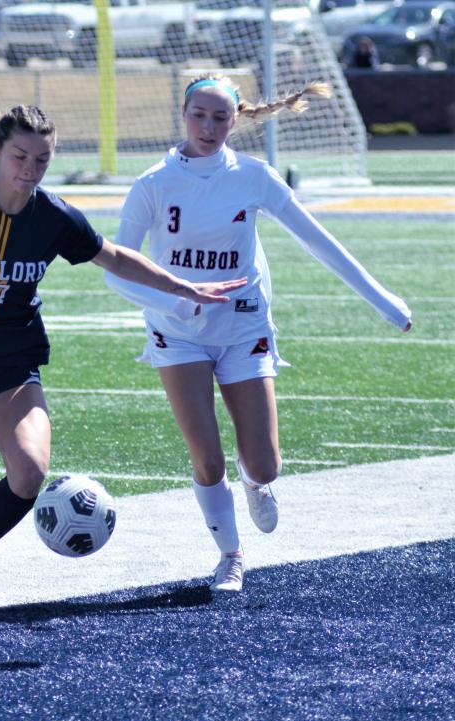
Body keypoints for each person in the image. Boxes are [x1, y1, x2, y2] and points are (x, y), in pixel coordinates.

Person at [0, 104, 248, 623]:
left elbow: (115, 256)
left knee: (30, 472)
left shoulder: (53, 215)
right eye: (19, 156)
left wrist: (182, 285)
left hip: (13, 362)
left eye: (42, 159)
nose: (29, 169)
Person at [103, 74, 412, 594]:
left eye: (220, 117)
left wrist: (384, 301)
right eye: (199, 114)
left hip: (244, 326)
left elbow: (321, 241)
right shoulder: (153, 184)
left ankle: (255, 484)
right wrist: (178, 302)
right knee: (207, 457)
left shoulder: (255, 177)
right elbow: (117, 270)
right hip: (178, 333)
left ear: (235, 119)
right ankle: (230, 556)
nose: (208, 126)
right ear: (183, 114)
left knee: (264, 462)